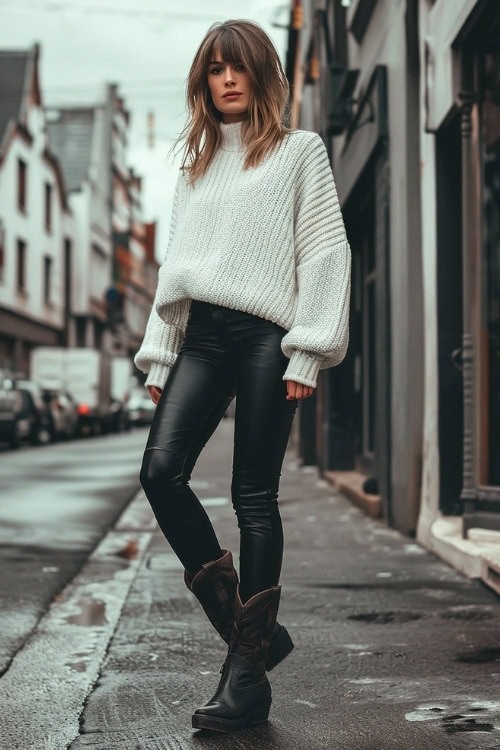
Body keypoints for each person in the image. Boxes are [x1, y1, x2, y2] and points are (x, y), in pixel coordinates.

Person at [134, 18, 351, 734]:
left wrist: (309, 347)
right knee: (161, 471)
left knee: (252, 494)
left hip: (267, 334)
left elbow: (324, 252)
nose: (226, 80)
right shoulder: (195, 165)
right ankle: (252, 637)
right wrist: (160, 352)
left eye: (239, 68)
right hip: (202, 337)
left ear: (262, 76)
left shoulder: (299, 152)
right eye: (214, 70)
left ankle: (246, 677)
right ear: (203, 82)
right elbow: (177, 269)